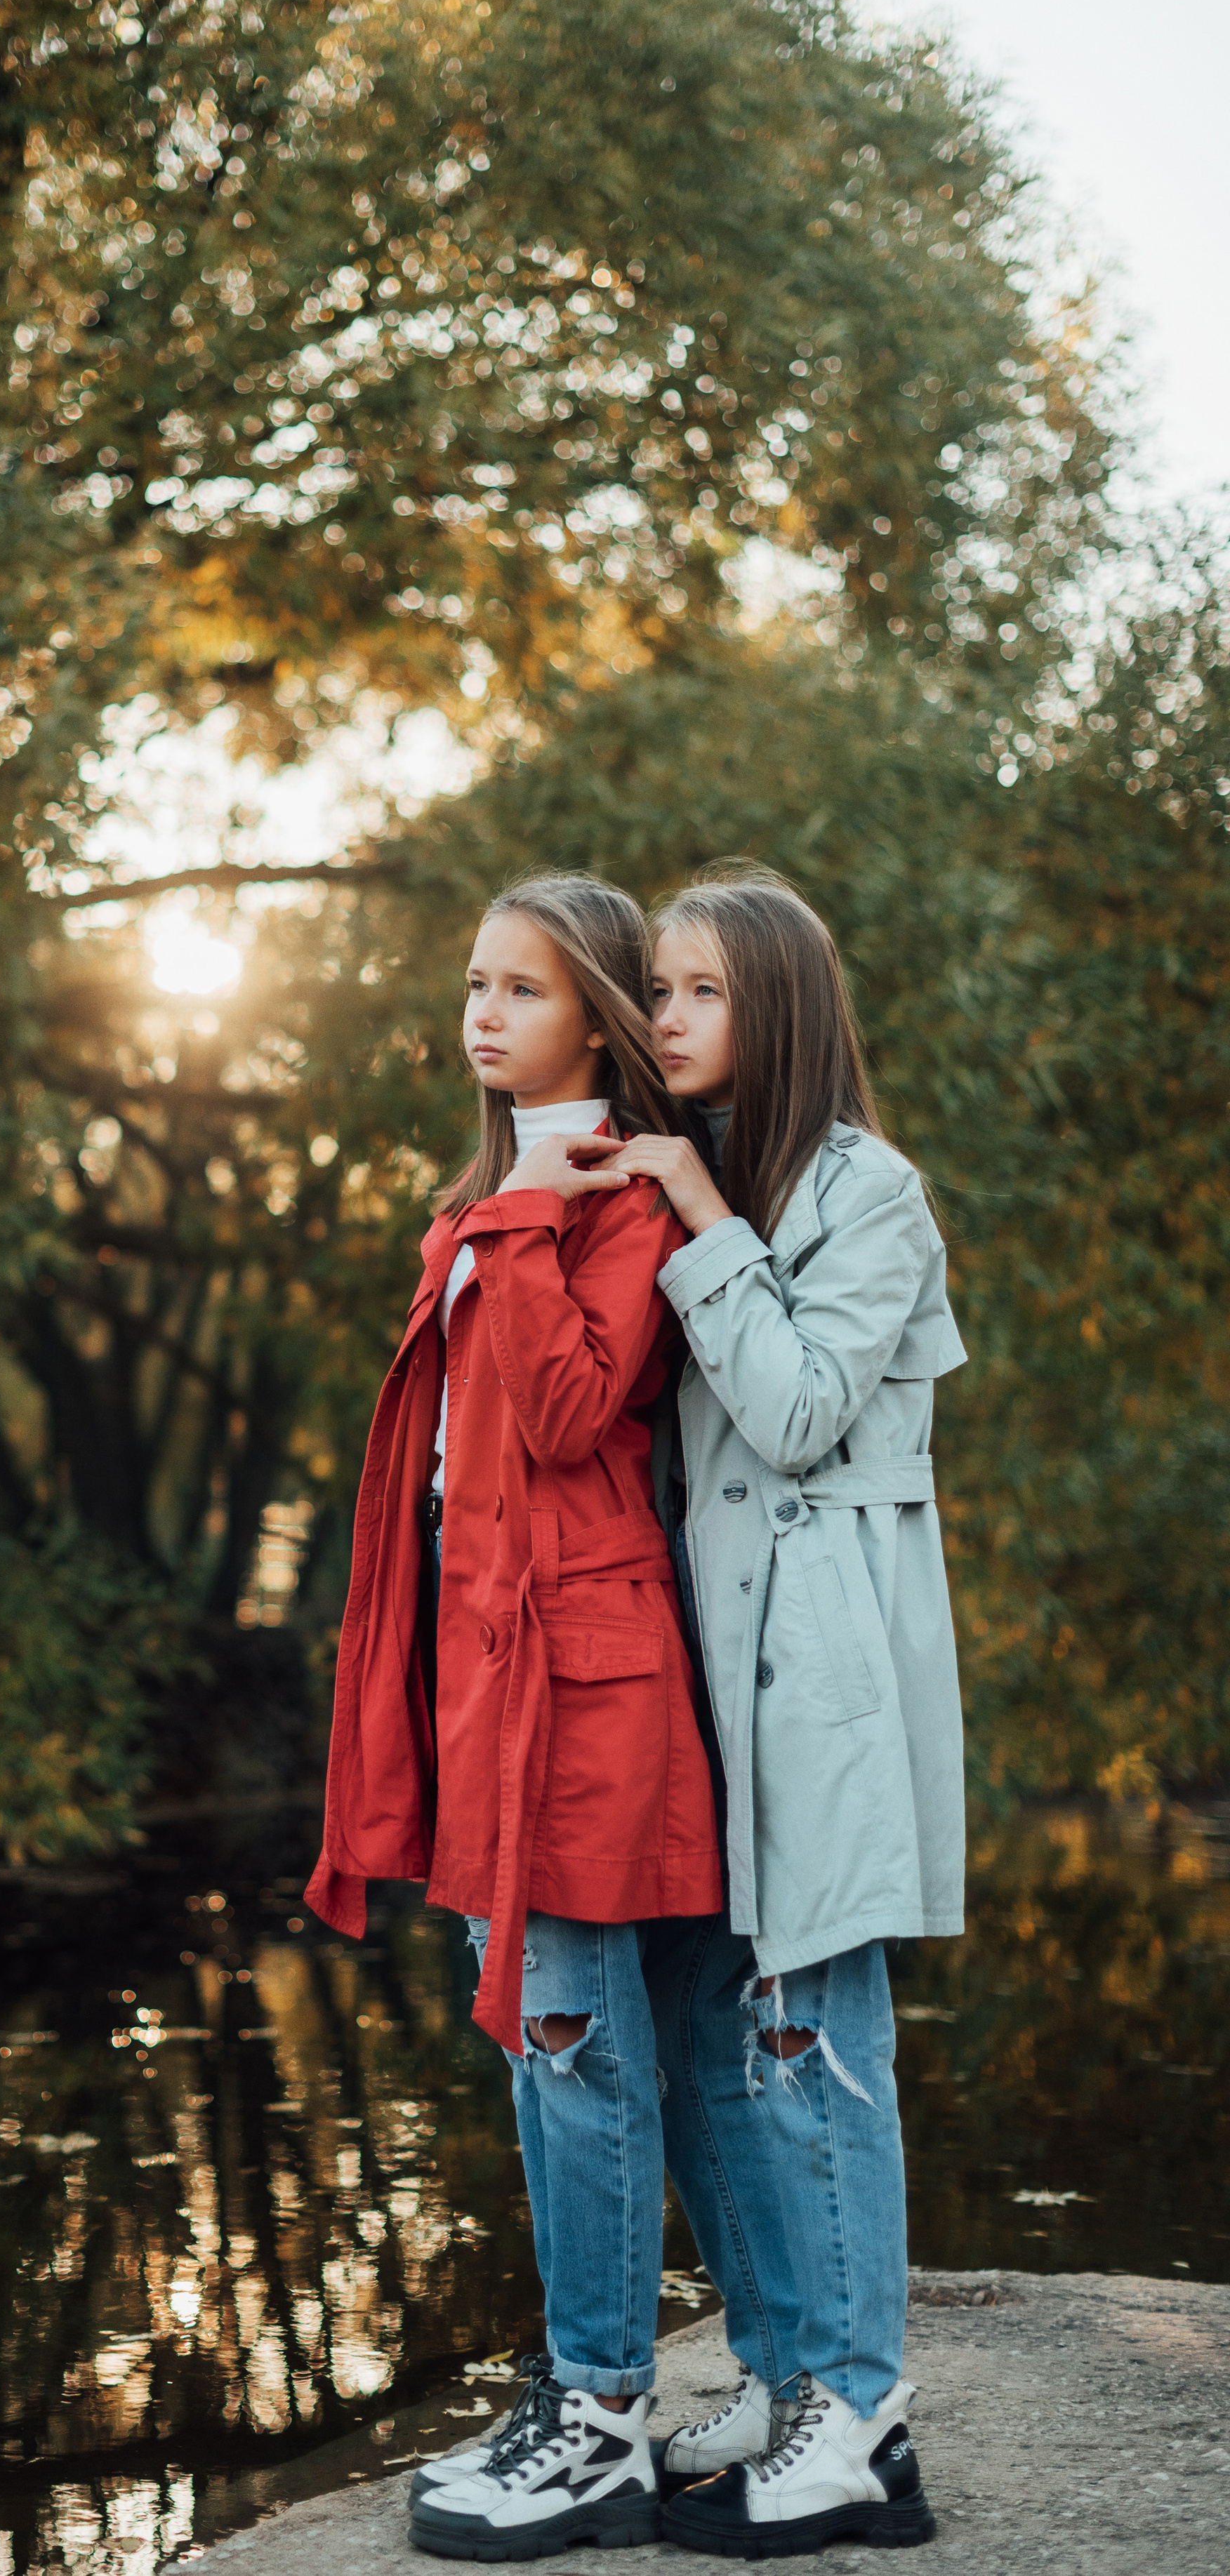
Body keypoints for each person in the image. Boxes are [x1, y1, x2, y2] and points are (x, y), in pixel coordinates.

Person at [540, 865, 965, 2558]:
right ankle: (788, 2380)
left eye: (696, 991)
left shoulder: (868, 1195)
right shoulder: (681, 1178)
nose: (661, 1019)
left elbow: (790, 1416)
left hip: (826, 1683)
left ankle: (858, 2420)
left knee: (813, 2045)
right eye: (654, 989)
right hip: (697, 1677)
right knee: (725, 2035)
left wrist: (699, 1227)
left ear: (772, 1005)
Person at [305, 872, 723, 2561]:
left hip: (586, 1683)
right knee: (558, 2047)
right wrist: (504, 1210)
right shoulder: (502, 1192)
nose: (481, 1016)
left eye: (522, 991)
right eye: (473, 984)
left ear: (598, 1018)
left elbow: (562, 1414)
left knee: (577, 2046)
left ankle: (606, 2414)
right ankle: (591, 2393)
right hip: (485, 1670)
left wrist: (531, 1217)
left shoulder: (618, 1202)